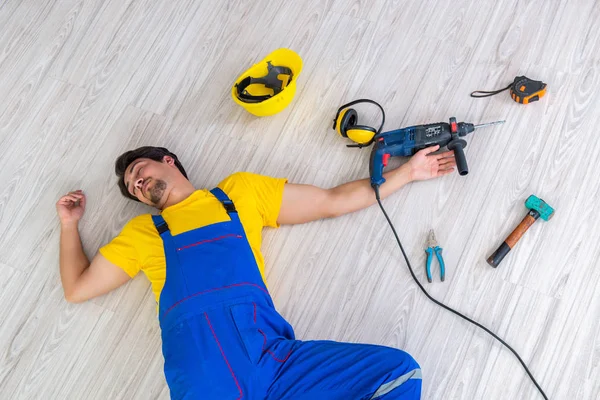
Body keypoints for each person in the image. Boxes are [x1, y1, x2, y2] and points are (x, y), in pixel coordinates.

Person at [56, 145, 456, 399]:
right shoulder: (145, 232)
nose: (138, 183)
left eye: (139, 171)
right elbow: (77, 288)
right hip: (204, 375)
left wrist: (408, 173)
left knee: (399, 375)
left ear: (168, 160)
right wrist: (69, 225)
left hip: (273, 361)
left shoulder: (239, 193)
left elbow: (332, 200)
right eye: (134, 188)